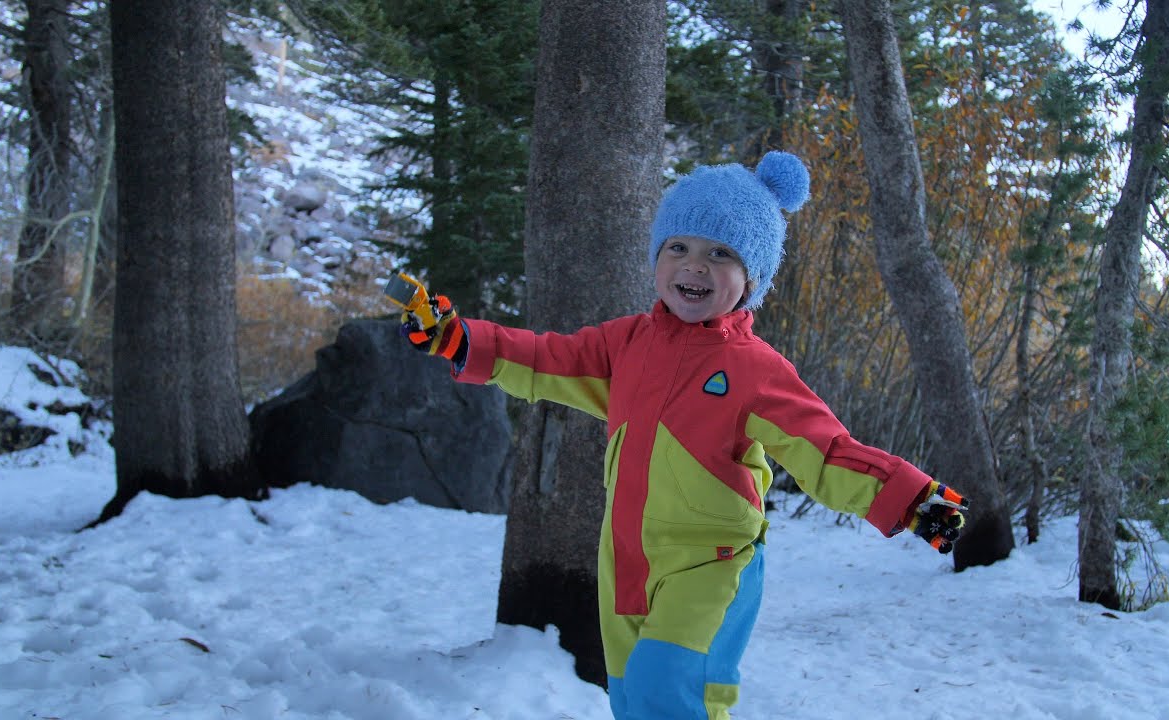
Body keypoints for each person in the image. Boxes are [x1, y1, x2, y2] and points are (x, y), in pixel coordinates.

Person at [398, 151, 968, 720]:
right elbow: (546, 358)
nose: (694, 266)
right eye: (679, 248)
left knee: (669, 694)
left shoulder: (755, 369)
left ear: (751, 278)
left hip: (712, 563)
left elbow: (826, 450)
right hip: (626, 560)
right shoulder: (624, 345)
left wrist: (910, 496)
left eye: (720, 253)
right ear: (657, 258)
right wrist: (458, 337)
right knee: (632, 700)